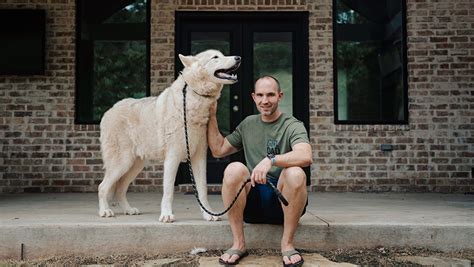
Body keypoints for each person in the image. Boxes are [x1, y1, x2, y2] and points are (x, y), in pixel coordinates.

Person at [207, 75, 313, 266]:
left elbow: (305, 156)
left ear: (280, 96)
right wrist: (212, 115)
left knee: (296, 173)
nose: (265, 101)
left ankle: (287, 244)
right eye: (261, 95)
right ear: (253, 97)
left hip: (284, 204)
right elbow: (219, 149)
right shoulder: (248, 124)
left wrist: (271, 160)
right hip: (252, 205)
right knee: (233, 169)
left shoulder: (292, 125)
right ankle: (238, 243)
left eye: (271, 95)